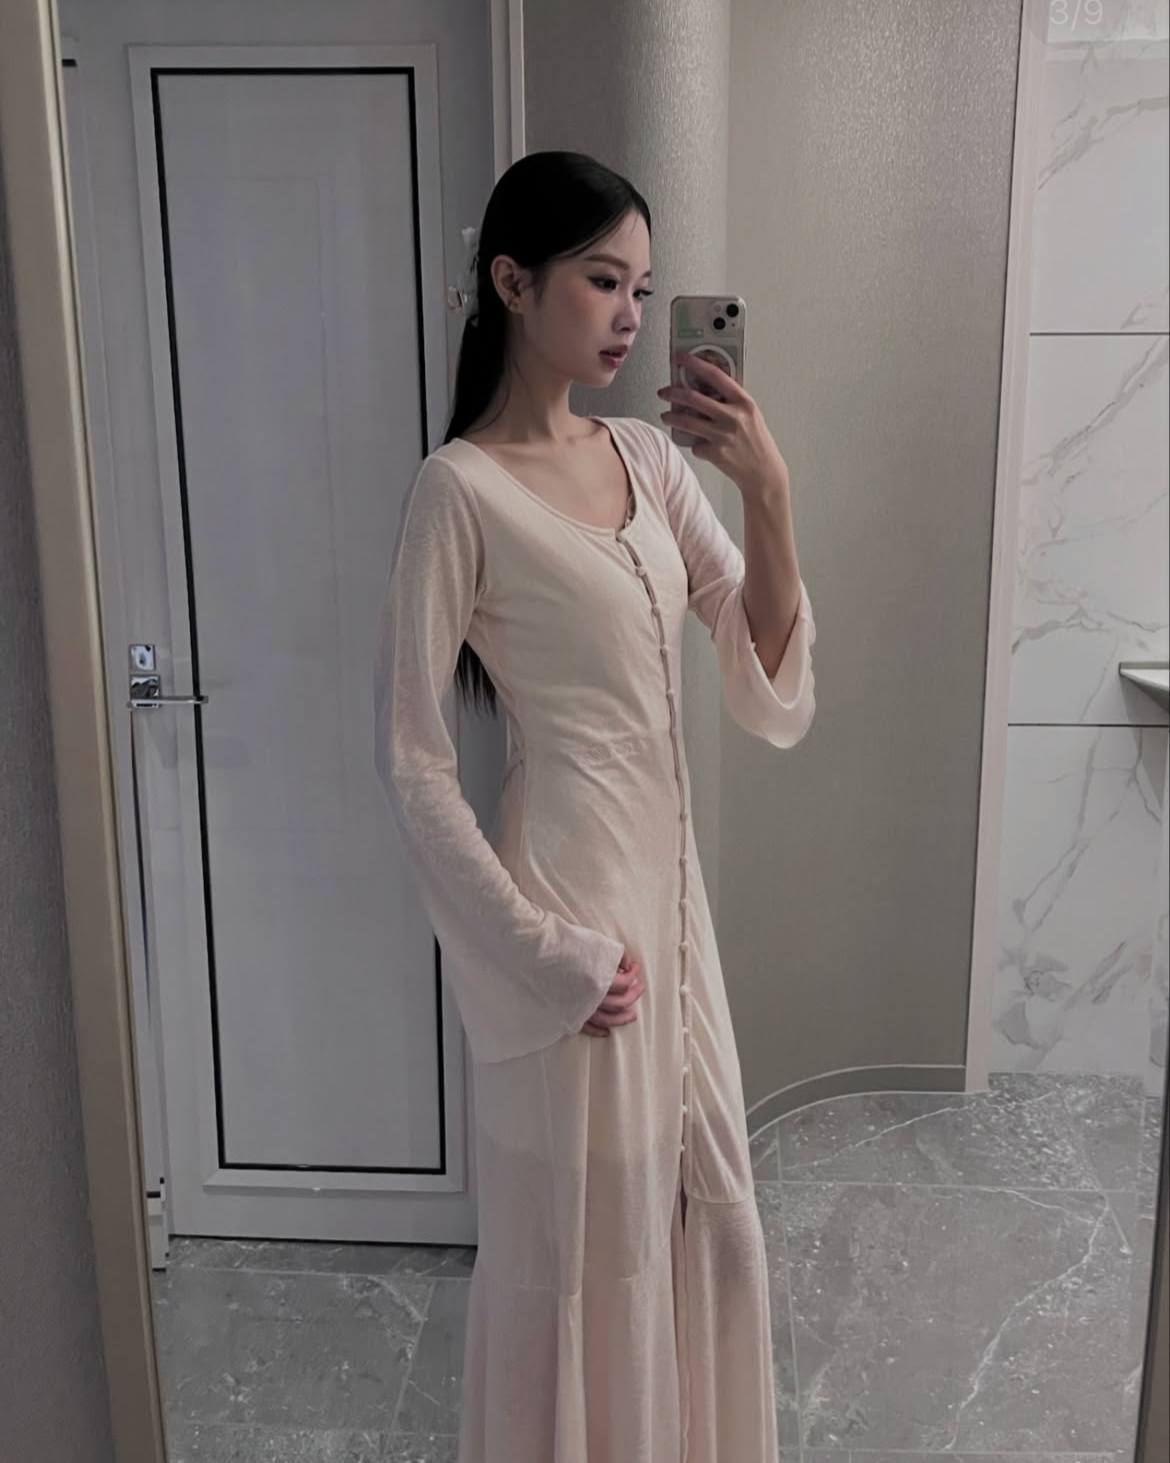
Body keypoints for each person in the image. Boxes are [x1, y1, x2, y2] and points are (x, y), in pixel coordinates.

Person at [374, 150, 816, 1463]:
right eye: (601, 280)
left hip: (673, 924)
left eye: (641, 286)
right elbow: (410, 759)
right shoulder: (457, 489)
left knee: (703, 1213)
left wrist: (767, 490)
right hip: (573, 928)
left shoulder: (646, 457)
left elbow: (757, 661)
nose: (630, 314)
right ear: (513, 283)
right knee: (586, 1249)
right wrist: (541, 952)